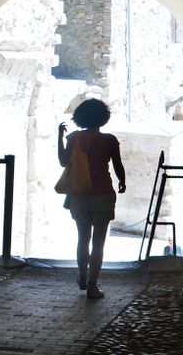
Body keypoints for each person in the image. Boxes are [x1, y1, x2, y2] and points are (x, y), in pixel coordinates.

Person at [57, 98, 126, 299]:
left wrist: (59, 138)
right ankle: (93, 285)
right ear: (103, 118)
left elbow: (63, 162)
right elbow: (117, 165)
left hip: (79, 195)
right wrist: (122, 181)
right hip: (103, 194)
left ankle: (82, 275)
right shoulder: (109, 140)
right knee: (98, 242)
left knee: (82, 238)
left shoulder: (74, 138)